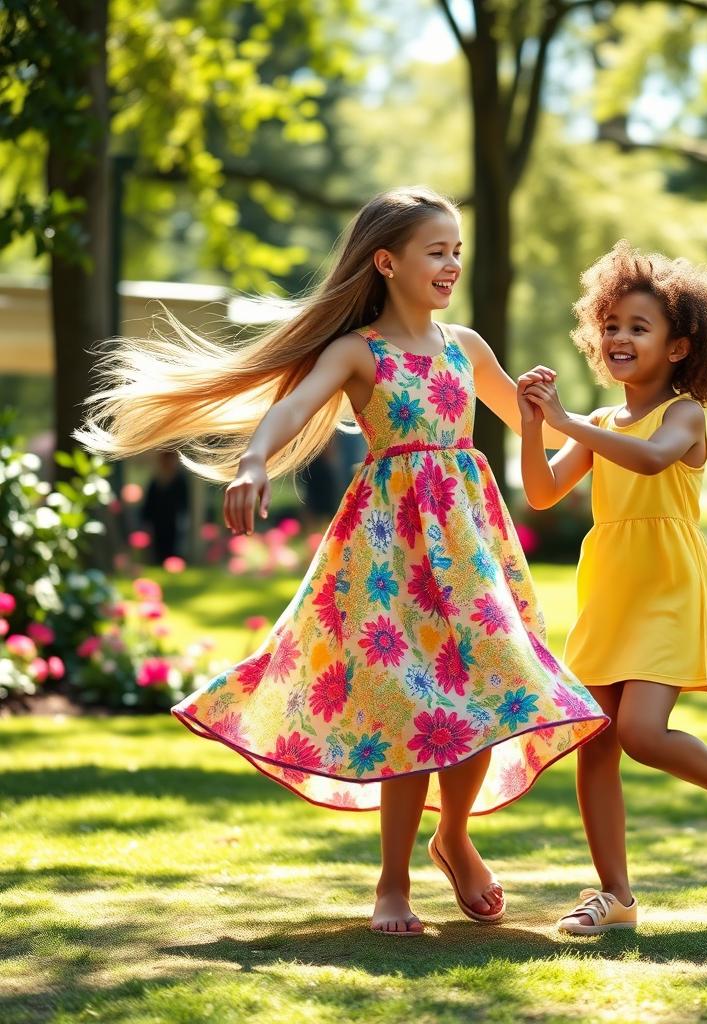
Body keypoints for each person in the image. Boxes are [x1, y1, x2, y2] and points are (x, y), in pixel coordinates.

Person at [76, 186, 608, 936]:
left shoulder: (468, 347)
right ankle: (393, 884)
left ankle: (453, 834)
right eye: (437, 251)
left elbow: (531, 423)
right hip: (391, 553)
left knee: (489, 688)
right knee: (413, 707)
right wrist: (255, 459)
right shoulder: (358, 350)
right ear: (387, 262)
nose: (452, 263)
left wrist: (592, 427)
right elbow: (295, 406)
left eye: (458, 250)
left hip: (468, 552)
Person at [517, 240, 707, 936]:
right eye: (610, 326)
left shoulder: (685, 415)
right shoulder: (601, 423)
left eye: (638, 327)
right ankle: (615, 895)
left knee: (638, 732)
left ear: (680, 346)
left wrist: (569, 423)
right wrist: (531, 424)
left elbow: (654, 456)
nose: (619, 338)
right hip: (610, 589)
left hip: (667, 586)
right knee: (596, 739)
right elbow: (542, 492)